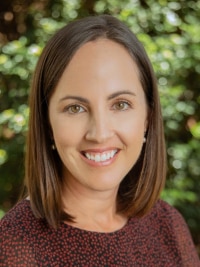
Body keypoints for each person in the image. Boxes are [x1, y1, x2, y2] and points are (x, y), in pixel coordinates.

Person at [0, 14, 199, 267]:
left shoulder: (168, 226)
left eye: (121, 104)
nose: (100, 133)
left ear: (148, 117)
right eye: (75, 108)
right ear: (47, 123)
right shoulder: (15, 246)